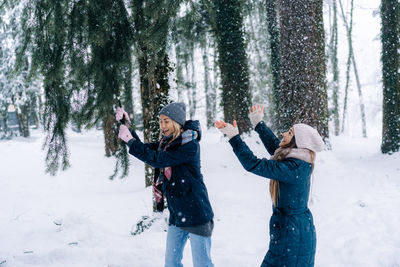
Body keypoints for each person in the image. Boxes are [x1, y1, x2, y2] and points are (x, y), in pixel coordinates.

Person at [215, 105, 324, 267]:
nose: (283, 134)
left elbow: (253, 164)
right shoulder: (297, 160)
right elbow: (276, 147)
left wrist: (234, 138)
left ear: (297, 142)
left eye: (289, 133)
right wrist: (259, 123)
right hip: (293, 231)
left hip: (292, 236)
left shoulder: (294, 168)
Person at [116, 102, 214, 267]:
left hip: (197, 213)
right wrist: (128, 128)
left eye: (167, 121)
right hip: (177, 214)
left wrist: (131, 141)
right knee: (171, 263)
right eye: (161, 121)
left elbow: (157, 160)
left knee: (202, 264)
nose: (163, 125)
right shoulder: (166, 143)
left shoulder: (190, 145)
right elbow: (146, 149)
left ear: (177, 122)